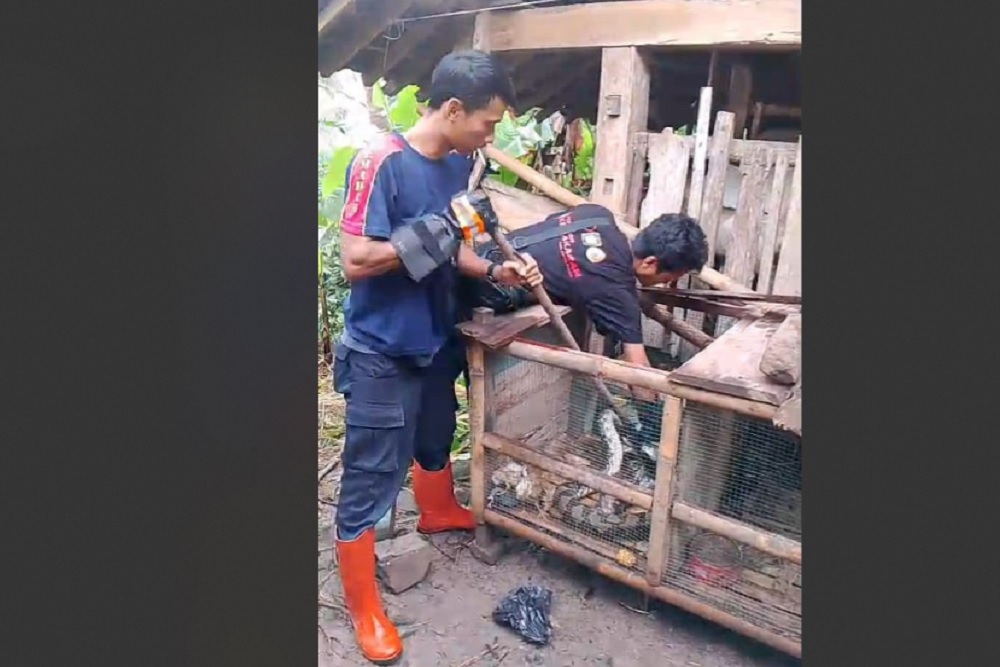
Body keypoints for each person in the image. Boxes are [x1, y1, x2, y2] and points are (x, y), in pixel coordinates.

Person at [332, 50, 541, 665]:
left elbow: (459, 251)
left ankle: (438, 509)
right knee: (373, 470)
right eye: (488, 122)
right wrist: (434, 229)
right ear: (453, 109)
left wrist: (498, 267)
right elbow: (356, 261)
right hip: (382, 349)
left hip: (435, 336)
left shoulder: (460, 164)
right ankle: (364, 602)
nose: (491, 135)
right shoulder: (382, 164)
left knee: (434, 432)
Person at [462, 203, 709, 382]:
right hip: (472, 296)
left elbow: (555, 236)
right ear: (650, 263)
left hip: (473, 258)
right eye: (669, 279)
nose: (665, 285)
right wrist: (654, 412)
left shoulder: (596, 214)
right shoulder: (617, 290)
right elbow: (639, 372)